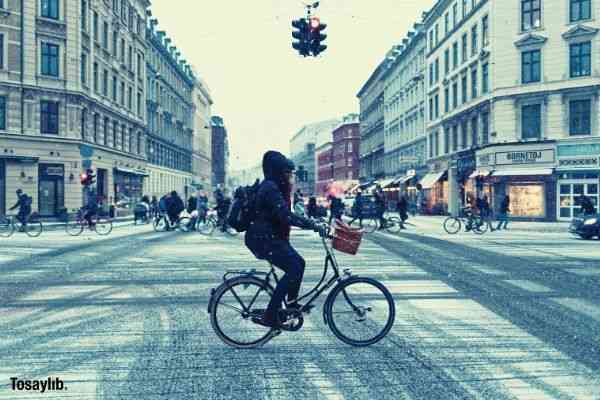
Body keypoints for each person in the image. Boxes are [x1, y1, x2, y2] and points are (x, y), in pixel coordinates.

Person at [246, 151, 321, 329]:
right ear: (278, 172)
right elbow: (285, 215)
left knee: (299, 264)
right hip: (264, 239)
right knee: (294, 267)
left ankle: (291, 304)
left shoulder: (274, 186)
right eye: (287, 172)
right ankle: (271, 316)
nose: (290, 176)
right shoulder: (270, 188)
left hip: (270, 237)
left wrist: (310, 222)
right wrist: (311, 225)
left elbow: (285, 215)